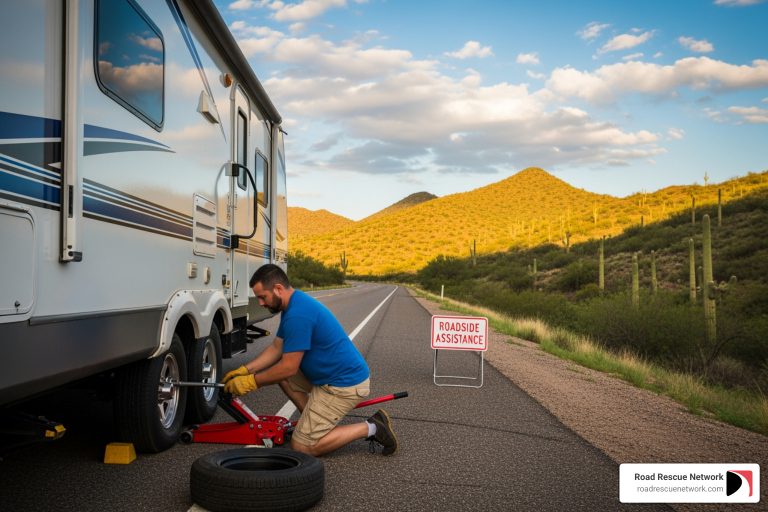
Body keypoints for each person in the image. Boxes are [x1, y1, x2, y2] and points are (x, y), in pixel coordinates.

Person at [222, 264, 398, 457]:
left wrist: (251, 382)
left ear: (278, 289)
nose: (261, 303)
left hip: (344, 385)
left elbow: (289, 368)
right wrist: (245, 370)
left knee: (302, 447)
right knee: (277, 374)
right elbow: (277, 348)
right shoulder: (293, 305)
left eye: (262, 297)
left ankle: (372, 427)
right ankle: (314, 423)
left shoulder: (298, 314)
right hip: (329, 377)